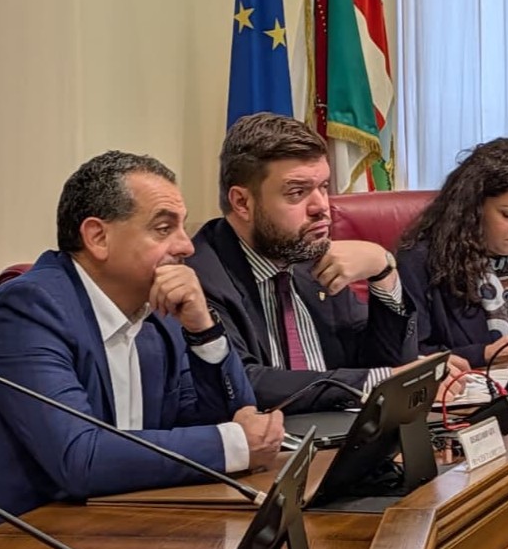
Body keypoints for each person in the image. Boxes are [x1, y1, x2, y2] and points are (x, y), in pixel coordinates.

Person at [0, 151, 283, 529]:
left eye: (182, 228)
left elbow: (227, 418)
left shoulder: (157, 313)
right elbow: (79, 458)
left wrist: (203, 328)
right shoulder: (28, 310)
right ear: (98, 237)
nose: (187, 247)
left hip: (106, 522)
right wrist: (234, 445)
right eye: (163, 228)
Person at [188, 112, 439, 415]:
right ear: (242, 202)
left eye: (323, 186)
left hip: (339, 432)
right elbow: (244, 381)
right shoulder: (200, 275)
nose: (322, 206)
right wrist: (375, 382)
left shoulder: (310, 255)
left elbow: (384, 361)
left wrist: (383, 271)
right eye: (297, 192)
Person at [397, 138, 508, 370]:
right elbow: (409, 355)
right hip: (475, 386)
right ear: (474, 209)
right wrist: (481, 354)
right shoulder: (421, 261)